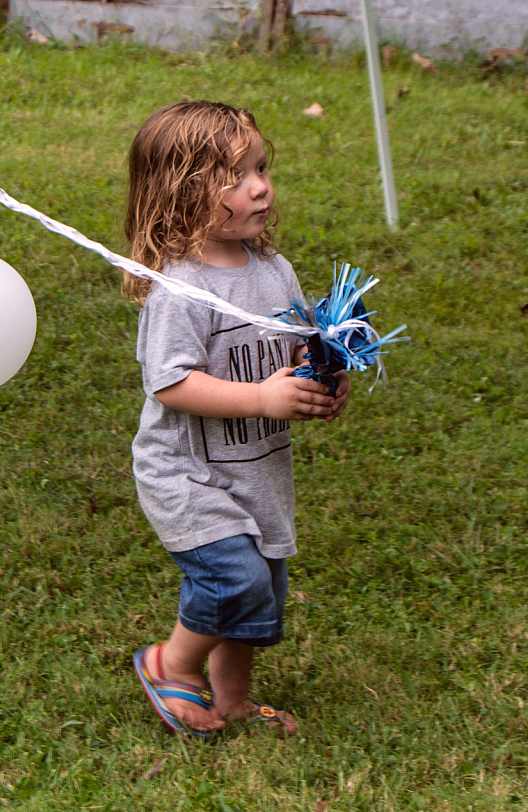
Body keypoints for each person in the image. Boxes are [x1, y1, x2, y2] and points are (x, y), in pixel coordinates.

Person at [124, 101, 350, 737]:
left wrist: (325, 376)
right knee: (234, 576)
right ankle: (171, 663)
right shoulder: (180, 286)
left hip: (256, 469)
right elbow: (170, 383)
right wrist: (261, 400)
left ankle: (233, 703)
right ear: (184, 191)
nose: (261, 186)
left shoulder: (275, 273)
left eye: (261, 167)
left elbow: (303, 343)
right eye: (237, 176)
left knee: (258, 594)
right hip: (187, 474)